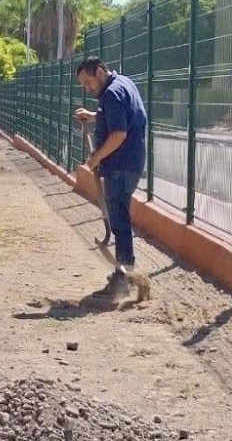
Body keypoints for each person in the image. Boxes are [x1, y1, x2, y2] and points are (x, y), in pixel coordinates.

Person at [74, 56, 147, 297]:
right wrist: (94, 116)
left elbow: (118, 134)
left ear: (100, 72)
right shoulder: (122, 83)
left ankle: (124, 278)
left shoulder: (112, 94)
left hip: (121, 166)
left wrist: (96, 158)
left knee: (119, 221)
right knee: (119, 218)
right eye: (83, 84)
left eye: (87, 82)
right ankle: (127, 274)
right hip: (130, 163)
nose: (87, 88)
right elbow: (124, 115)